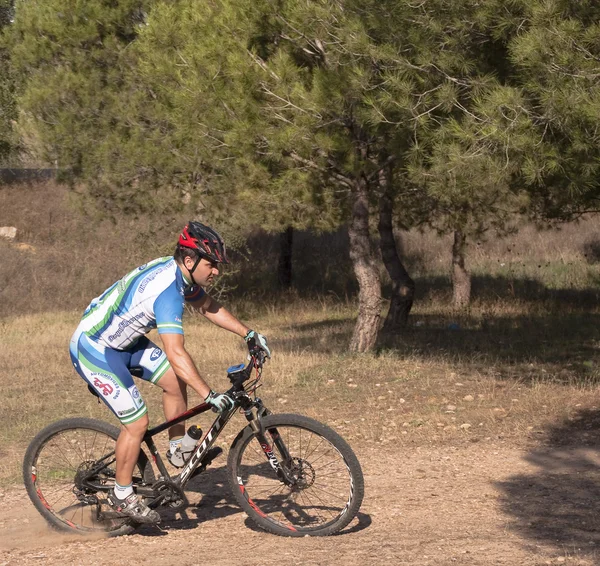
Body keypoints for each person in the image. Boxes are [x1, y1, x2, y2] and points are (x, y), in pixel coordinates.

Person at [69, 221, 270, 524]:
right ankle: (122, 494)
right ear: (190, 260)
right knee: (137, 423)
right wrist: (209, 395)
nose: (217, 270)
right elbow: (175, 352)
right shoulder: (168, 292)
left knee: (175, 382)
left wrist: (248, 333)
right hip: (94, 348)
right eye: (212, 264)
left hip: (123, 341)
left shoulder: (180, 274)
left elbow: (206, 305)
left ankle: (177, 449)